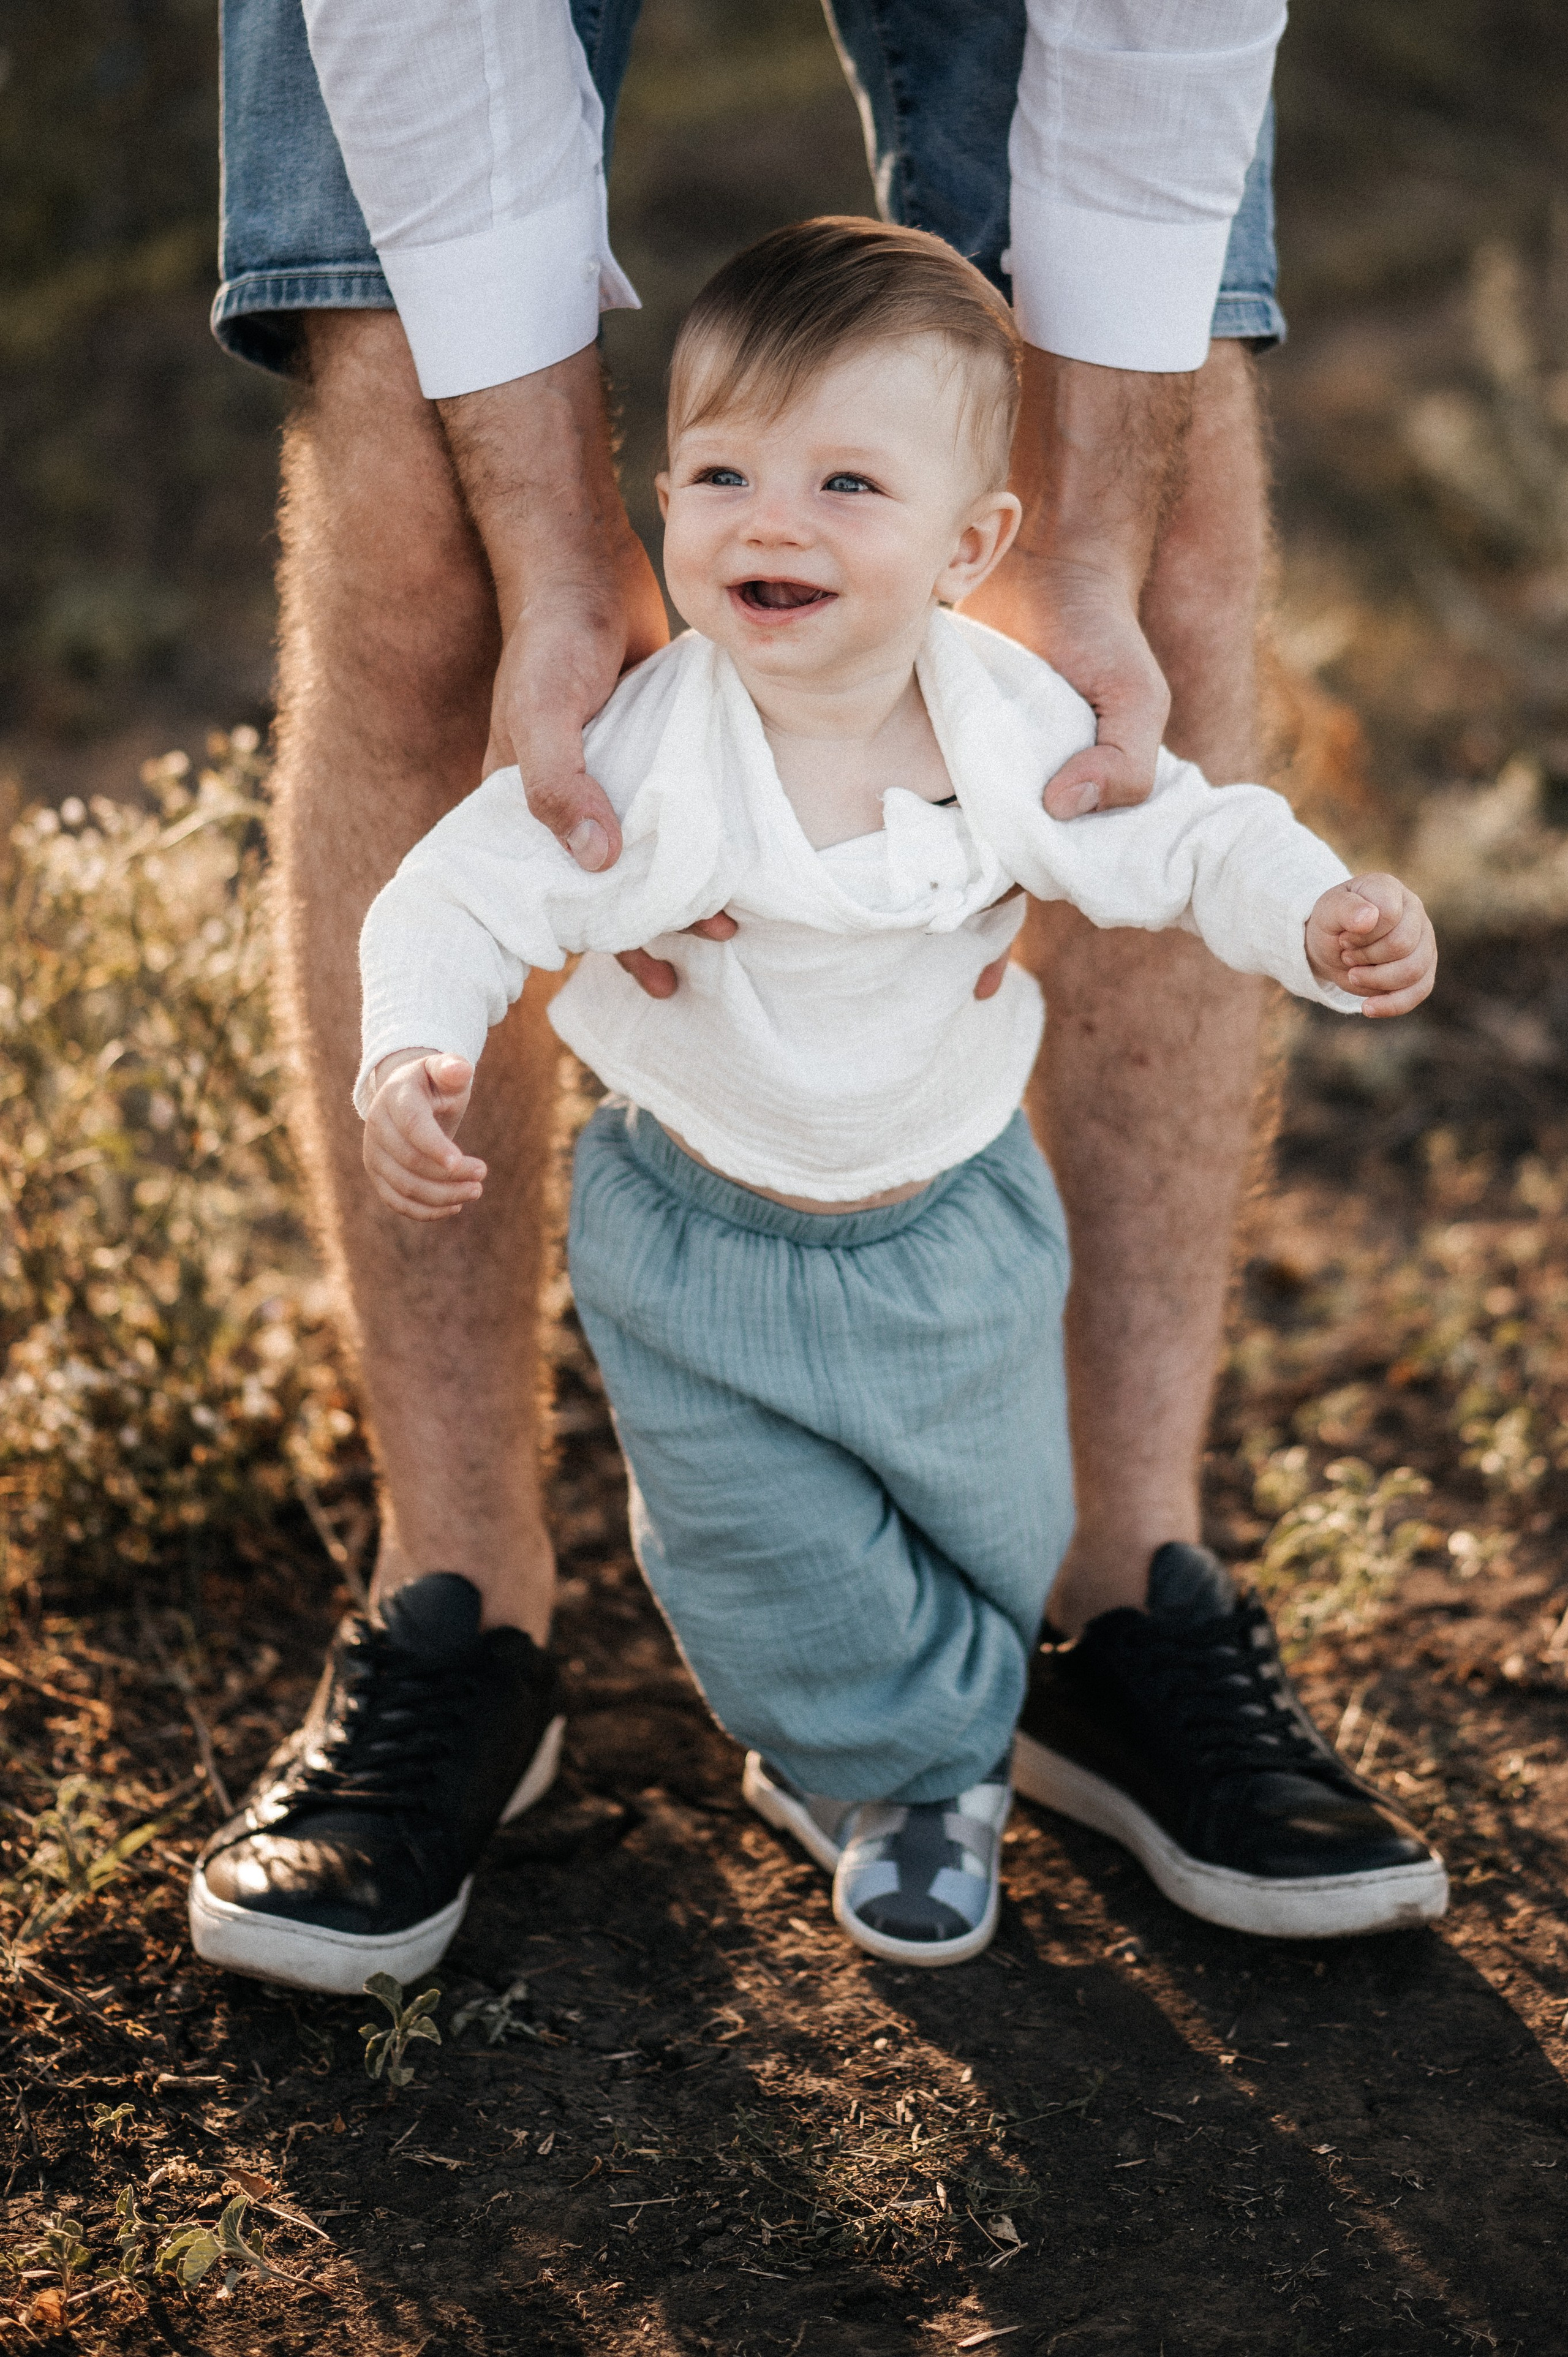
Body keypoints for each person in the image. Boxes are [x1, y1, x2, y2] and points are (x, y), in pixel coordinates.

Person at [190, 1, 1439, 1986]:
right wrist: (420, 1030)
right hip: (703, 1229)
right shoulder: (663, 749)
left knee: (1169, 565)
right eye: (720, 478)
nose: (770, 523)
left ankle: (1117, 1603)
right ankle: (486, 1617)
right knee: (416, 538)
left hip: (959, 1220)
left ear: (969, 550)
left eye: (848, 491)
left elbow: (1186, 839)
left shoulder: (1000, 718)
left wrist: (1319, 910)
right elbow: (467, 887)